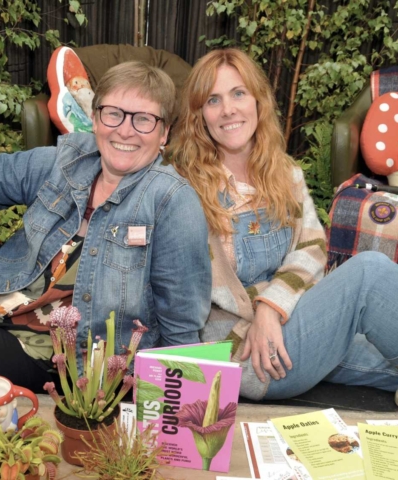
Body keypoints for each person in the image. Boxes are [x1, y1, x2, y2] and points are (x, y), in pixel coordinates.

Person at [0, 61, 211, 392]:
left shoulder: (172, 202)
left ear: (164, 134)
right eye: (114, 113)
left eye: (143, 119)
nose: (125, 130)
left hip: (50, 352)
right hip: (8, 292)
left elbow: (182, 325)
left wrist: (171, 407)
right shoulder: (70, 161)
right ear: (96, 118)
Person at [170, 48, 398, 402]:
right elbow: (182, 295)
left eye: (238, 93)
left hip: (286, 320)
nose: (228, 109)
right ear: (200, 115)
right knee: (369, 273)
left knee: (386, 361)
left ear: (258, 102)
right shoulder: (184, 188)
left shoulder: (284, 172)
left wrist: (270, 308)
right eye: (213, 100)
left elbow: (312, 247)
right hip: (242, 352)